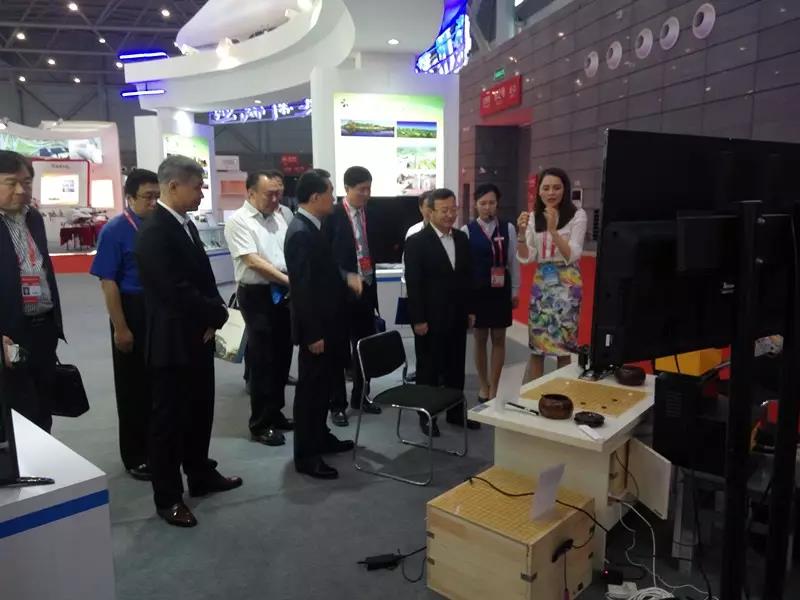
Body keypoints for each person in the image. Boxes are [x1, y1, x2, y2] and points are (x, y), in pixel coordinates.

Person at [135, 155, 241, 528]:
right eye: (196, 187)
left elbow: (202, 280)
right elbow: (173, 289)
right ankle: (167, 497)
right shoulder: (155, 231)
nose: (201, 194)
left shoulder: (184, 224)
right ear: (173, 186)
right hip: (172, 342)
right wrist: (215, 314)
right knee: (169, 422)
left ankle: (200, 473)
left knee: (199, 412)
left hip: (197, 335)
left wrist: (214, 314)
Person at [285, 169, 360, 479]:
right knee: (310, 394)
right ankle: (307, 455)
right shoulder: (301, 232)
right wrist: (313, 334)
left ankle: (320, 437)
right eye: (330, 193)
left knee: (323, 388)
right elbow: (302, 289)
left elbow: (324, 272)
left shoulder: (313, 226)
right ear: (315, 197)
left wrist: (345, 277)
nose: (335, 198)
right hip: (317, 331)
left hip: (329, 325)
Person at [90, 169, 159, 480]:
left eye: (157, 196)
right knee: (133, 388)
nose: (153, 203)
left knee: (158, 383)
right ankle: (135, 456)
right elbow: (109, 283)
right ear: (130, 198)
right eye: (147, 197)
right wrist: (121, 327)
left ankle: (158, 446)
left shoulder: (158, 226)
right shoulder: (115, 230)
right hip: (131, 310)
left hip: (159, 311)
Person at [224, 170, 294, 447]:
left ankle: (276, 413)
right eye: (270, 194)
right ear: (251, 193)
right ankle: (260, 423)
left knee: (282, 356)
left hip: (282, 293)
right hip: (257, 296)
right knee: (263, 360)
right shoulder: (239, 221)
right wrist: (289, 281)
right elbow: (253, 261)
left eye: (278, 193)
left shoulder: (279, 217)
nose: (276, 199)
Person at [404, 188, 478, 437]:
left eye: (453, 209)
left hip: (457, 315)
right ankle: (427, 416)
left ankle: (456, 413)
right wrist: (418, 319)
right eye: (444, 210)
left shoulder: (461, 238)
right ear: (431, 212)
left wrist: (470, 309)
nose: (449, 215)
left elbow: (467, 278)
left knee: (456, 367)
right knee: (429, 370)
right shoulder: (416, 242)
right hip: (430, 318)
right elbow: (414, 284)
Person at [0, 151, 62, 432]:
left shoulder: (33, 218)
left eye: (26, 183)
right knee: (16, 408)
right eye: (11, 183)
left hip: (42, 328)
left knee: (42, 403)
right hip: (9, 335)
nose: (20, 190)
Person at [324, 166, 382, 427]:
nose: (366, 194)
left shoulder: (372, 213)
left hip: (366, 288)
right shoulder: (333, 215)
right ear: (347, 188)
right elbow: (325, 256)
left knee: (364, 347)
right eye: (361, 190)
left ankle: (361, 396)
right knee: (338, 350)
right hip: (340, 291)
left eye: (369, 189)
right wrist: (345, 276)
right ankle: (337, 404)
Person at [516, 167, 587, 382]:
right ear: (538, 191)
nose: (551, 193)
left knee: (564, 347)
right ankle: (534, 394)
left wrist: (554, 230)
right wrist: (521, 234)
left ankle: (560, 394)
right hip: (542, 283)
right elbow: (527, 257)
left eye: (556, 187)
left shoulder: (577, 215)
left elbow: (572, 254)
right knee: (537, 346)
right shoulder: (533, 217)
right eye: (546, 188)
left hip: (568, 282)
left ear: (565, 189)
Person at [461, 184, 520, 402]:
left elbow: (514, 262)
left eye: (492, 203)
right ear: (476, 205)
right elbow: (465, 268)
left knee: (499, 337)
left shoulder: (508, 228)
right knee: (479, 338)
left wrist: (515, 290)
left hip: (500, 290)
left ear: (498, 204)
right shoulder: (467, 231)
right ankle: (483, 384)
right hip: (477, 291)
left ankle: (495, 386)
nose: (488, 207)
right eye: (483, 203)